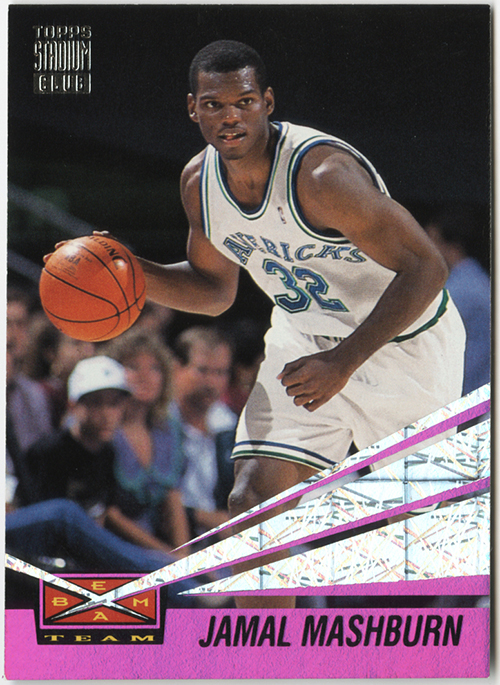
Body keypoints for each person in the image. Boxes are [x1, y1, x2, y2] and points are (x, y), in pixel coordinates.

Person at [48, 40, 466, 607]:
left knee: (426, 529)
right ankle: (265, 650)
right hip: (304, 335)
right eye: (214, 105)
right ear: (192, 109)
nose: (231, 117)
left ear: (267, 102)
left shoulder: (323, 176)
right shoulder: (199, 183)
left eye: (244, 102)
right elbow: (214, 290)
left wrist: (343, 361)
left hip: (403, 342)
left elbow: (427, 267)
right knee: (251, 504)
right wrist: (128, 270)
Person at [105, 330, 191, 554]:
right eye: (133, 367)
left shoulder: (168, 428)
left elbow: (173, 499)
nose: (145, 376)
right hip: (112, 545)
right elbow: (110, 514)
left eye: (154, 368)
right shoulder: (105, 428)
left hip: (159, 548)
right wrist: (166, 556)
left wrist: (184, 557)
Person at [169, 326, 236, 538]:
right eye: (202, 371)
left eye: (220, 373)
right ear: (176, 368)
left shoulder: (230, 425)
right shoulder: (159, 421)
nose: (212, 383)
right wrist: (207, 518)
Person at [425, 205, 490, 396]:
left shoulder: (462, 287)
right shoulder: (473, 277)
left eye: (431, 240)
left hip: (472, 392)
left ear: (451, 245)